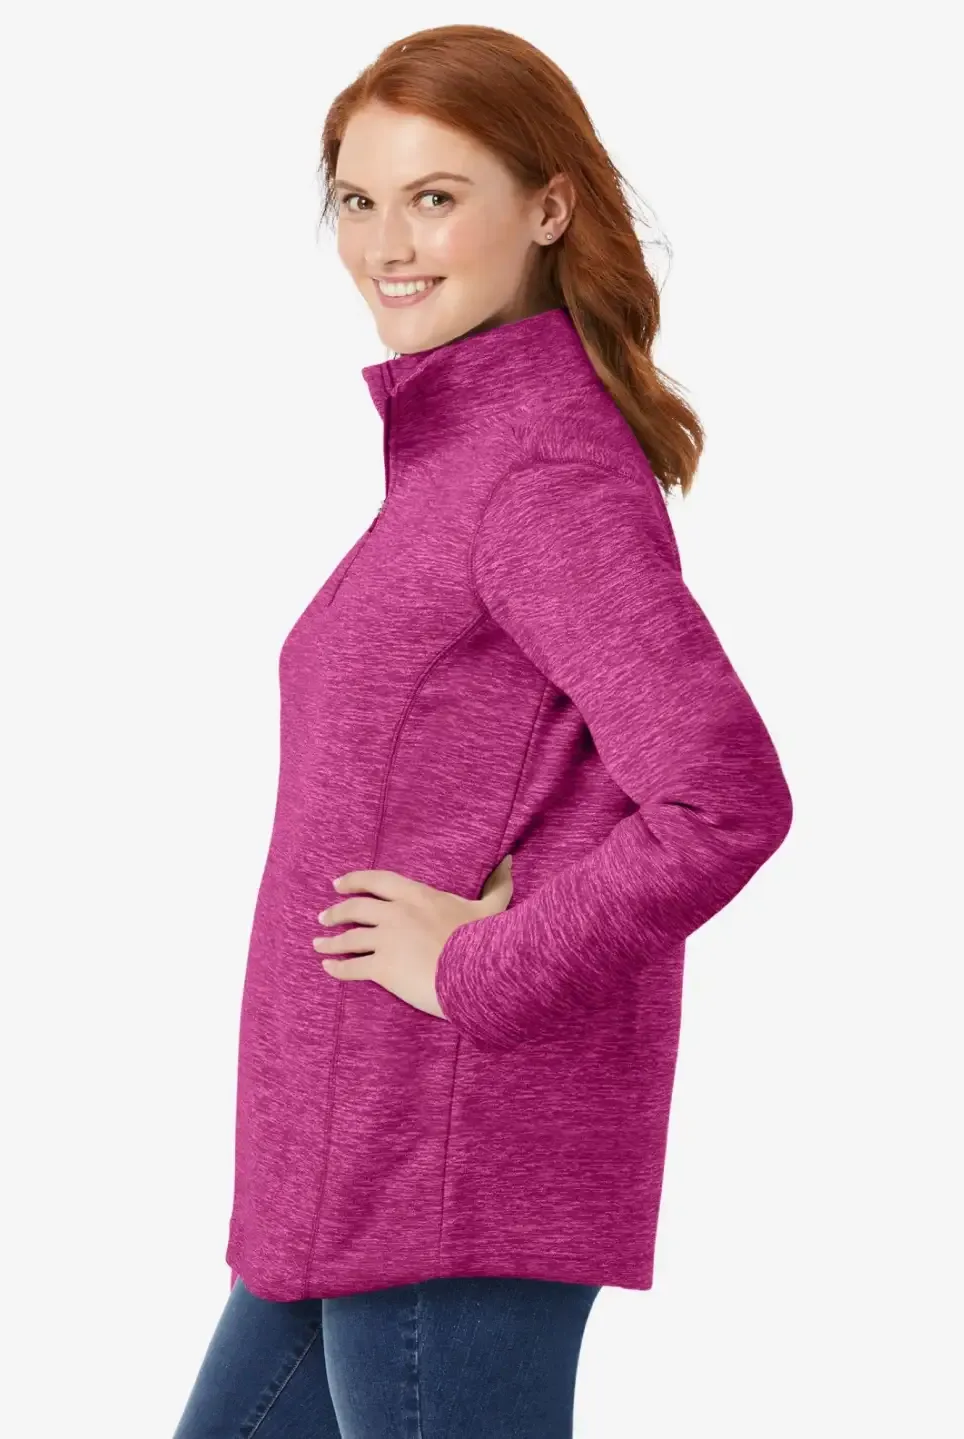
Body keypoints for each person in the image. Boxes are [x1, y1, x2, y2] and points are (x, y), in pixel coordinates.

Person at [172, 23, 793, 1439]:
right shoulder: (460, 461)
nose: (387, 244)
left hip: (449, 1153)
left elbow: (725, 798)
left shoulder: (537, 480)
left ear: (550, 207)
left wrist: (479, 965)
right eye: (358, 198)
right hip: (355, 1152)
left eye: (437, 197)